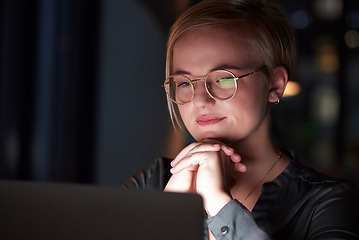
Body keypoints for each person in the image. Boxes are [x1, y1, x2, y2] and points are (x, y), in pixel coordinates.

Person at [122, 0, 359, 239]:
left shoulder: (328, 203)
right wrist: (167, 215)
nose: (201, 99)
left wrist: (220, 206)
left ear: (275, 84)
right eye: (184, 82)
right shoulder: (153, 182)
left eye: (224, 79)